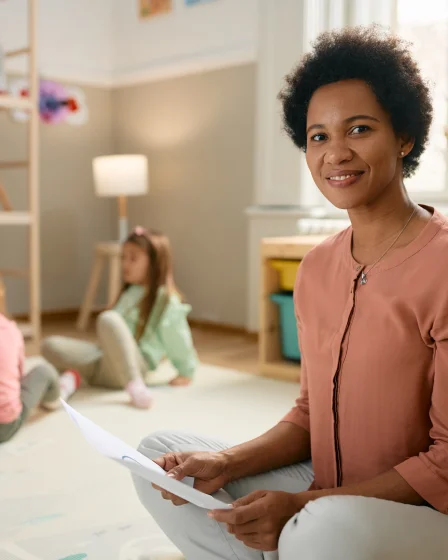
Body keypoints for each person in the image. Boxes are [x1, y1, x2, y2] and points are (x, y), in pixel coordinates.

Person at [130, 26, 448, 560]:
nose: (336, 153)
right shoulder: (317, 267)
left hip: (420, 513)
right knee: (159, 461)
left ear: (404, 136)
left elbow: (446, 462)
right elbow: (309, 415)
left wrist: (303, 505)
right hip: (328, 491)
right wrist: (226, 464)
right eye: (318, 136)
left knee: (321, 530)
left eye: (360, 129)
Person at [42, 228, 199, 410]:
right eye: (123, 257)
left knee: (109, 319)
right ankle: (70, 379)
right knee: (50, 345)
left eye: (133, 258)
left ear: (155, 263)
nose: (125, 264)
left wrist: (186, 371)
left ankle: (135, 385)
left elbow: (177, 337)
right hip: (104, 364)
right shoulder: (129, 292)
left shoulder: (165, 299)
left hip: (135, 365)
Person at [0, 313, 80, 443]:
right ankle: (57, 397)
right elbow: (19, 377)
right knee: (44, 371)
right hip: (4, 426)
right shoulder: (10, 331)